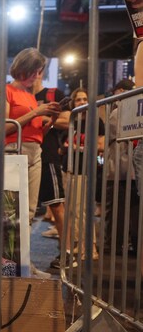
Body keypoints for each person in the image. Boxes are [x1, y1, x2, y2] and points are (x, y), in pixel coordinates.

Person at [0, 47, 61, 224]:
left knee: (29, 211)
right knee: (10, 209)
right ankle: (7, 251)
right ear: (23, 67)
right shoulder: (6, 91)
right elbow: (2, 128)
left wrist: (52, 119)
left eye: (39, 71)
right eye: (35, 71)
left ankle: (23, 251)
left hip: (35, 152)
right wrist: (36, 112)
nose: (37, 75)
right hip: (13, 150)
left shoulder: (29, 96)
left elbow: (39, 134)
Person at [32, 72, 73, 269]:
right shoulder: (17, 93)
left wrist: (38, 118)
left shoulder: (52, 93)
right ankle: (18, 255)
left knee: (57, 206)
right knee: (22, 207)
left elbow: (67, 120)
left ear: (40, 71)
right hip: (23, 156)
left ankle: (66, 253)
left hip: (47, 155)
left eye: (34, 70)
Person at [61, 87, 104, 261]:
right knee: (72, 211)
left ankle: (91, 247)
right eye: (78, 99)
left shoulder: (95, 121)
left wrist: (76, 147)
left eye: (84, 99)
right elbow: (62, 146)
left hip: (85, 169)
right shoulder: (70, 121)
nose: (82, 102)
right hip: (68, 169)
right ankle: (79, 244)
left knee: (83, 211)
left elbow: (100, 146)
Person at [104, 79, 139, 256]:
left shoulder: (120, 111)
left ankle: (122, 245)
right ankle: (113, 246)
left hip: (128, 170)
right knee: (119, 212)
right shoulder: (118, 112)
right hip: (120, 169)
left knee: (131, 213)